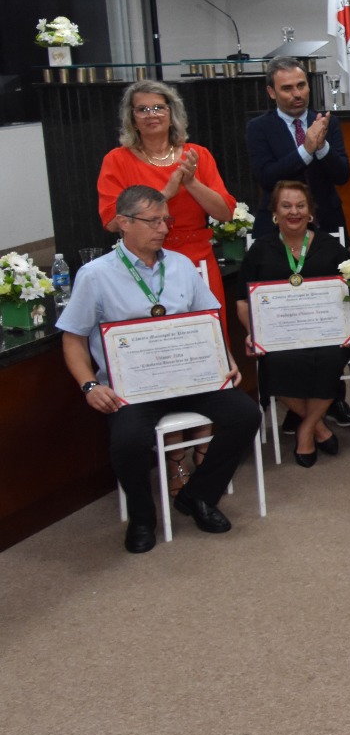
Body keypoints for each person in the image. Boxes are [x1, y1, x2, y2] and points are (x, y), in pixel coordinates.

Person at [58, 185, 262, 554]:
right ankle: (141, 516)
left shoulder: (181, 265)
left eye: (165, 220)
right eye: (152, 221)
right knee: (128, 441)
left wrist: (228, 360)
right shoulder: (95, 275)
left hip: (190, 376)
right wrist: (90, 386)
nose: (163, 229)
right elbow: (72, 339)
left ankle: (198, 496)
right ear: (123, 222)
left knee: (246, 414)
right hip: (133, 388)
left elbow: (210, 319)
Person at [96, 80, 239, 493]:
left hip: (195, 263)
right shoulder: (118, 160)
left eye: (159, 107)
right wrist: (168, 190)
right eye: (143, 109)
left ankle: (206, 451)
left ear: (172, 113)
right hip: (141, 267)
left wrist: (191, 183)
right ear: (132, 118)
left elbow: (226, 212)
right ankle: (175, 457)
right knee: (161, 354)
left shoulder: (199, 155)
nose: (152, 115)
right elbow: (111, 220)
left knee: (206, 353)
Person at [237, 181, 350, 468]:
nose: (294, 212)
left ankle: (305, 428)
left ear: (310, 211)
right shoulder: (260, 251)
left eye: (300, 206)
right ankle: (317, 427)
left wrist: (349, 324)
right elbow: (243, 302)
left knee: (330, 358)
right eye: (286, 206)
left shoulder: (332, 248)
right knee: (276, 361)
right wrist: (253, 333)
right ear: (275, 213)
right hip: (279, 336)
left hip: (326, 334)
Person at [244, 57, 350, 237]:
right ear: (271, 92)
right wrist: (306, 150)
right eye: (287, 88)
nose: (297, 94)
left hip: (326, 222)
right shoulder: (258, 127)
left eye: (301, 85)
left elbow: (343, 175)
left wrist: (322, 146)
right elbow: (267, 178)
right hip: (275, 227)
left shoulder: (326, 122)